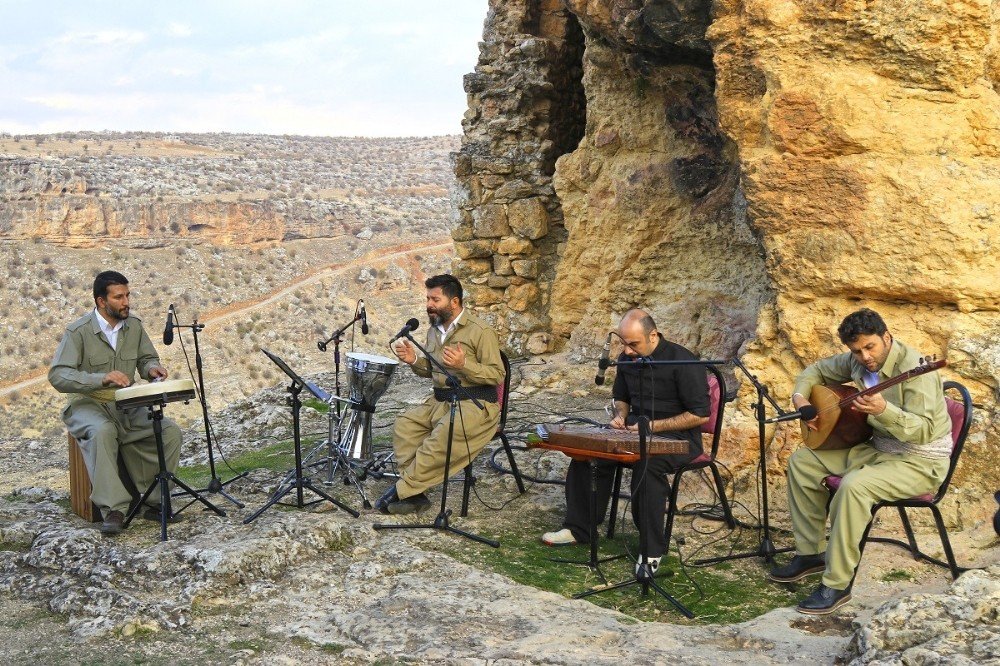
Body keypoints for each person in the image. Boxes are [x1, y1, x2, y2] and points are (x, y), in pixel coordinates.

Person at [769, 308, 953, 614]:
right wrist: (800, 398)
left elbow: (925, 431)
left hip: (920, 461)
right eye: (857, 351)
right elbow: (815, 371)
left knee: (855, 487)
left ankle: (837, 584)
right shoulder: (857, 361)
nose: (865, 357)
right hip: (878, 449)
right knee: (803, 461)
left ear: (886, 337)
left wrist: (884, 411)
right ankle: (811, 553)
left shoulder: (915, 370)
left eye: (871, 347)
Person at [541, 309, 710, 574]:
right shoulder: (627, 359)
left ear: (653, 335)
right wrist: (620, 416)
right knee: (589, 452)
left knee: (648, 465)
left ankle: (651, 550)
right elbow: (621, 397)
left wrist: (653, 427)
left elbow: (700, 414)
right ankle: (578, 528)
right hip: (632, 432)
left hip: (678, 439)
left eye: (634, 344)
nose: (628, 351)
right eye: (623, 343)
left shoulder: (683, 361)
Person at [49, 271, 182, 535]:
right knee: (103, 431)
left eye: (127, 295)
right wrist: (100, 378)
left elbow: (146, 358)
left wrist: (152, 368)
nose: (126, 302)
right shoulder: (78, 331)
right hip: (87, 403)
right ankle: (114, 509)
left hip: (125, 404)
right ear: (101, 301)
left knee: (169, 432)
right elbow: (58, 375)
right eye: (119, 297)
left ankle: (155, 501)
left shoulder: (134, 326)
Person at [375, 274, 504, 515]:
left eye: (435, 299)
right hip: (441, 400)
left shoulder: (480, 331)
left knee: (440, 437)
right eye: (427, 299)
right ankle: (416, 493)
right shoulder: (434, 332)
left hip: (475, 403)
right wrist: (414, 360)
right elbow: (433, 370)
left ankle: (403, 490)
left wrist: (464, 365)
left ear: (454, 302)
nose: (429, 305)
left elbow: (497, 374)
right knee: (405, 426)